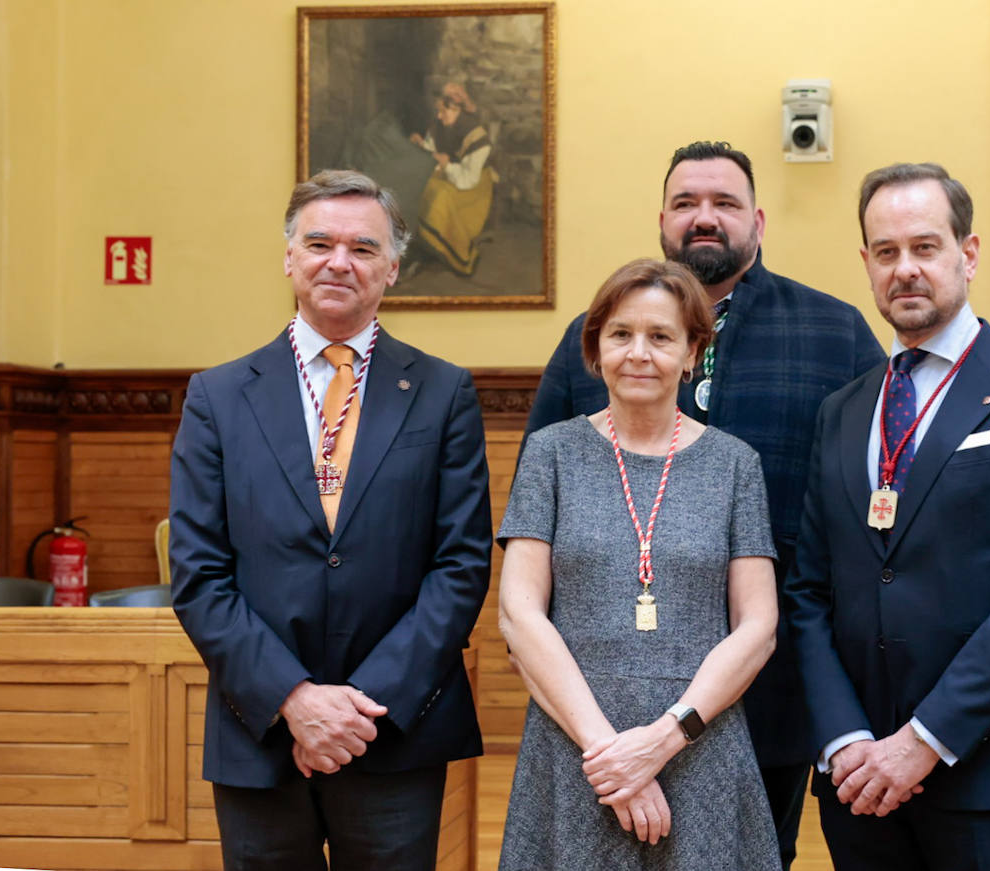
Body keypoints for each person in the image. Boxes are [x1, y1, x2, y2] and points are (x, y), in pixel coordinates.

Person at [525, 140, 884, 867]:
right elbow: (537, 517)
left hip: (772, 686)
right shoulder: (590, 337)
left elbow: (871, 491)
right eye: (686, 203)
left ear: (757, 219)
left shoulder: (836, 331)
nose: (704, 218)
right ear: (662, 218)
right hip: (598, 693)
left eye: (723, 203)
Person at [168, 169, 493, 870]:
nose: (339, 262)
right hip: (259, 728)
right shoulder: (218, 397)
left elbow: (461, 565)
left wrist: (355, 711)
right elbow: (198, 574)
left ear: (394, 269)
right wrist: (293, 699)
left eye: (363, 248)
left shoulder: (443, 393)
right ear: (289, 257)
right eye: (319, 243)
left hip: (394, 731)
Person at [785, 161, 990, 871]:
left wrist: (921, 741)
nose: (906, 269)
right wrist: (845, 742)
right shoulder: (842, 411)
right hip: (859, 785)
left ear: (969, 252)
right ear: (865, 264)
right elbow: (808, 593)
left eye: (925, 247)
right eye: (886, 252)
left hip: (987, 777)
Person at [497, 258, 781, 870]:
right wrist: (611, 756)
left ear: (692, 353)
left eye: (661, 336)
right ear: (595, 349)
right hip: (575, 749)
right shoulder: (550, 453)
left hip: (698, 748)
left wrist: (660, 742)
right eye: (620, 334)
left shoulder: (735, 465)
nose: (638, 353)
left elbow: (758, 628)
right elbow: (520, 614)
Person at [409, 82, 496, 276]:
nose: (439, 116)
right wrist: (422, 144)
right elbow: (435, 154)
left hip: (473, 186)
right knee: (421, 184)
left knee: (440, 196)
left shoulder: (477, 138)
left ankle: (445, 247)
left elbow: (468, 179)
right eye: (439, 111)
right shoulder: (440, 124)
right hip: (449, 174)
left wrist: (447, 165)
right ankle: (423, 243)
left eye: (444, 112)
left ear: (458, 109)